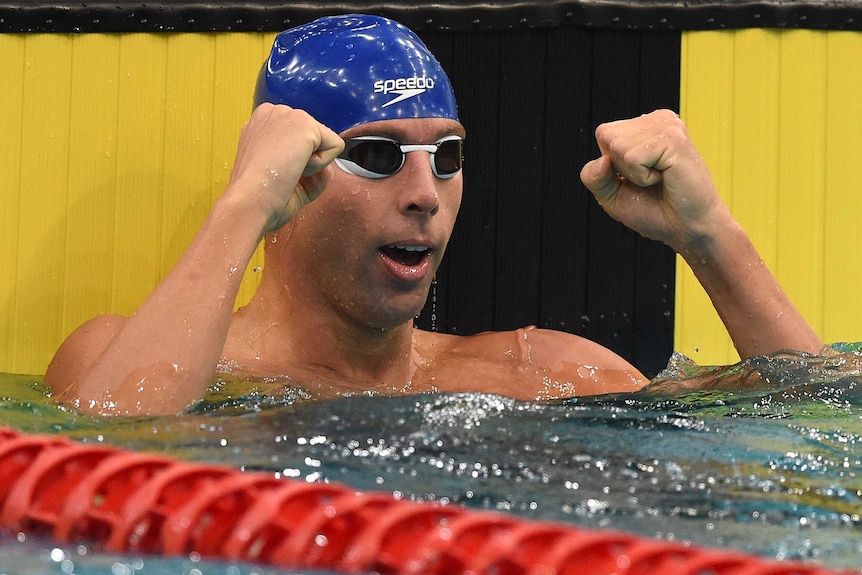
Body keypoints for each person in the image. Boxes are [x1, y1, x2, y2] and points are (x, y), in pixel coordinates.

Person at [45, 14, 822, 416]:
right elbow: (115, 439)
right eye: (380, 155)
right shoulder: (121, 359)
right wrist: (244, 203)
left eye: (446, 157)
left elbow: (818, 416)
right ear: (290, 175)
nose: (424, 193)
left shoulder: (539, 372)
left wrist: (711, 236)